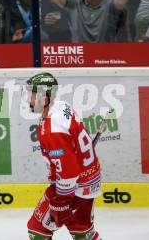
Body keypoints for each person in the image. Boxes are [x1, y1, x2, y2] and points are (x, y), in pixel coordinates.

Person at [25, 72, 102, 240]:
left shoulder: (52, 129)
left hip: (74, 187)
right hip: (89, 178)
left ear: (44, 98)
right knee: (82, 231)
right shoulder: (62, 106)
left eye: (31, 95)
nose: (27, 100)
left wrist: (61, 201)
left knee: (37, 230)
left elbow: (69, 172)